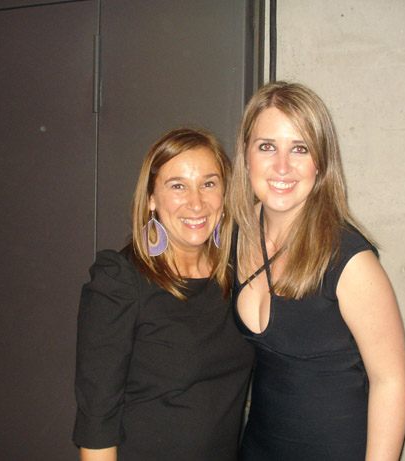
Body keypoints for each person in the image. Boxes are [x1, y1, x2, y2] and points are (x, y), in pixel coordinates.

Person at [228, 82, 405, 460]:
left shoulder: (349, 261)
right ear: (246, 156)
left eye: (300, 148)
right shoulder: (235, 237)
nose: (282, 166)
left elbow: (390, 382)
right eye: (267, 147)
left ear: (321, 162)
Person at [72, 128, 254, 461]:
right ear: (151, 199)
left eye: (209, 184)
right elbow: (96, 422)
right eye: (177, 186)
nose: (196, 202)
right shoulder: (120, 281)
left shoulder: (236, 272)